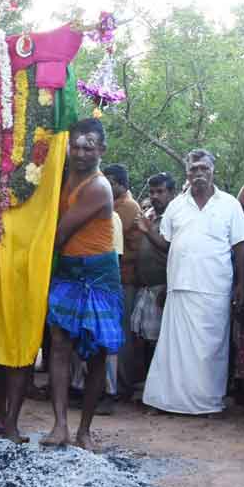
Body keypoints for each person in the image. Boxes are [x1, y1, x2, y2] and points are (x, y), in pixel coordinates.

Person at [141, 149, 244, 416]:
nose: (199, 174)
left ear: (213, 169)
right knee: (173, 349)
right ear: (187, 173)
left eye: (203, 168)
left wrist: (241, 283)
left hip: (215, 286)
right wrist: (147, 231)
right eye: (193, 170)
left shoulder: (229, 204)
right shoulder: (177, 206)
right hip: (180, 285)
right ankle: (167, 401)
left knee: (210, 350)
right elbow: (168, 245)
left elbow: (241, 246)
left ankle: (207, 403)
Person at [39, 118, 123, 451]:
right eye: (75, 145)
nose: (80, 152)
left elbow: (59, 234)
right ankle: (60, 425)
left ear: (101, 150)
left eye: (88, 146)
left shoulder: (99, 187)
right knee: (59, 346)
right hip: (68, 271)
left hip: (98, 274)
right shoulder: (62, 176)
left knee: (98, 352)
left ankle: (84, 430)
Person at [102, 164, 142, 402]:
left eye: (108, 182)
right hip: (117, 277)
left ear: (119, 183)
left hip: (123, 278)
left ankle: (122, 386)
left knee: (120, 335)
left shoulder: (125, 208)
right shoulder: (115, 205)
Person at [131, 172, 175, 378]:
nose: (156, 196)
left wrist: (168, 287)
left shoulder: (175, 218)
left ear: (171, 193)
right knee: (143, 339)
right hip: (146, 288)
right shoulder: (148, 215)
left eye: (161, 191)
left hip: (163, 288)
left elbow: (173, 252)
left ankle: (158, 388)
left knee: (161, 342)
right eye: (152, 192)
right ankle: (147, 387)